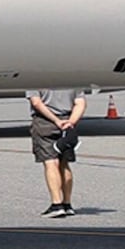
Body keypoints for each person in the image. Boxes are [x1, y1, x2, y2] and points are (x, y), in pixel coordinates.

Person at [25, 85, 88, 217]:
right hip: (68, 121)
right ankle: (67, 203)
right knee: (64, 163)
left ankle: (56, 204)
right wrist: (70, 122)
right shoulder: (71, 80)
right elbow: (80, 103)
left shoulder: (35, 79)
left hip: (45, 122)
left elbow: (36, 102)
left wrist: (56, 121)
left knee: (50, 162)